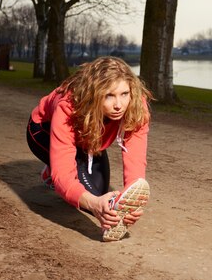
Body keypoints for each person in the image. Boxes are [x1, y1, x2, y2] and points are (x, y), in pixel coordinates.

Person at [26, 56, 152, 241]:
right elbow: (65, 176)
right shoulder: (69, 106)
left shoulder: (135, 105)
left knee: (100, 192)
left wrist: (132, 201)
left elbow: (135, 158)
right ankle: (52, 166)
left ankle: (54, 171)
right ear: (94, 94)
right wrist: (95, 204)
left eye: (124, 94)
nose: (119, 105)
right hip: (42, 132)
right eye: (109, 95)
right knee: (95, 200)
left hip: (88, 140)